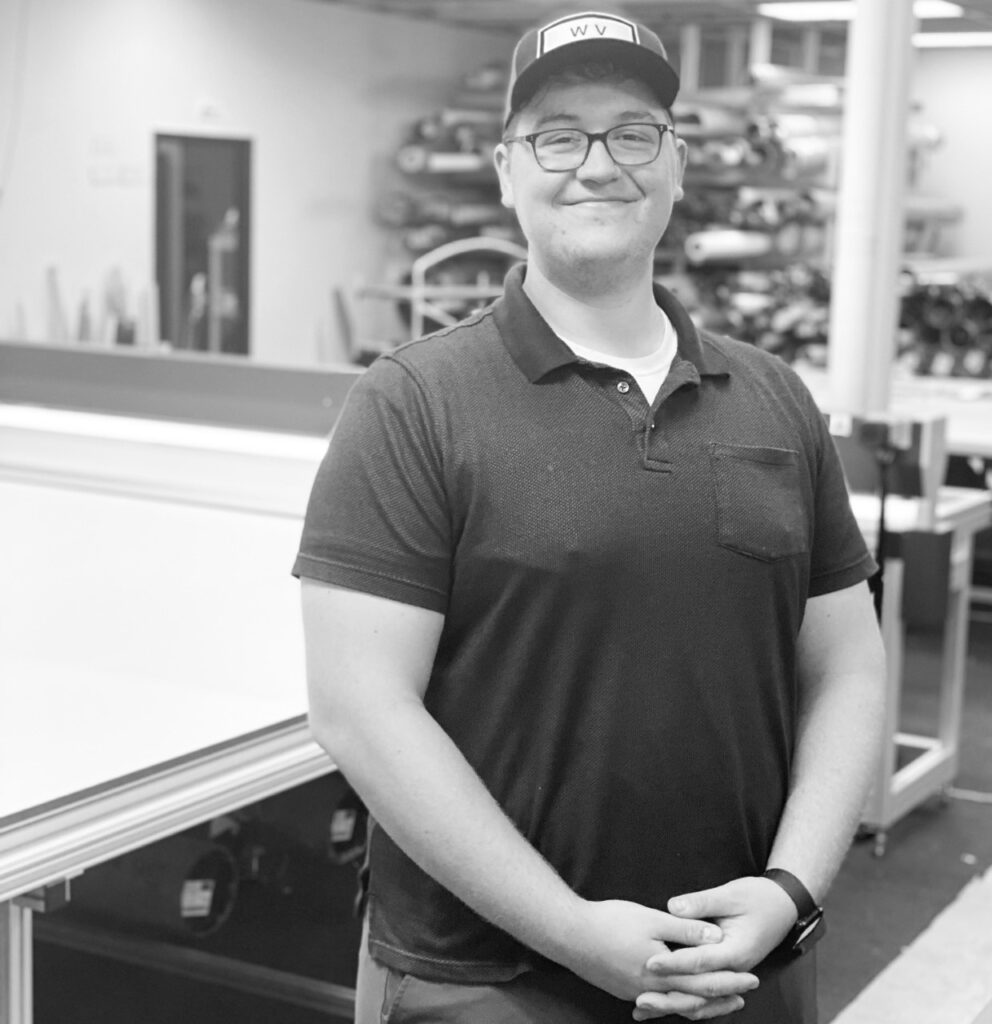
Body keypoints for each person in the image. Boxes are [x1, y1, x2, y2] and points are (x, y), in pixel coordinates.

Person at [293, 10, 887, 1022]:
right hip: (482, 982)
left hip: (743, 969)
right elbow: (360, 709)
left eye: (632, 132)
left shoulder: (775, 398)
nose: (596, 164)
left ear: (677, 162)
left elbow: (846, 665)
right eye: (557, 135)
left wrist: (789, 892)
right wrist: (572, 927)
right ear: (505, 168)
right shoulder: (413, 402)